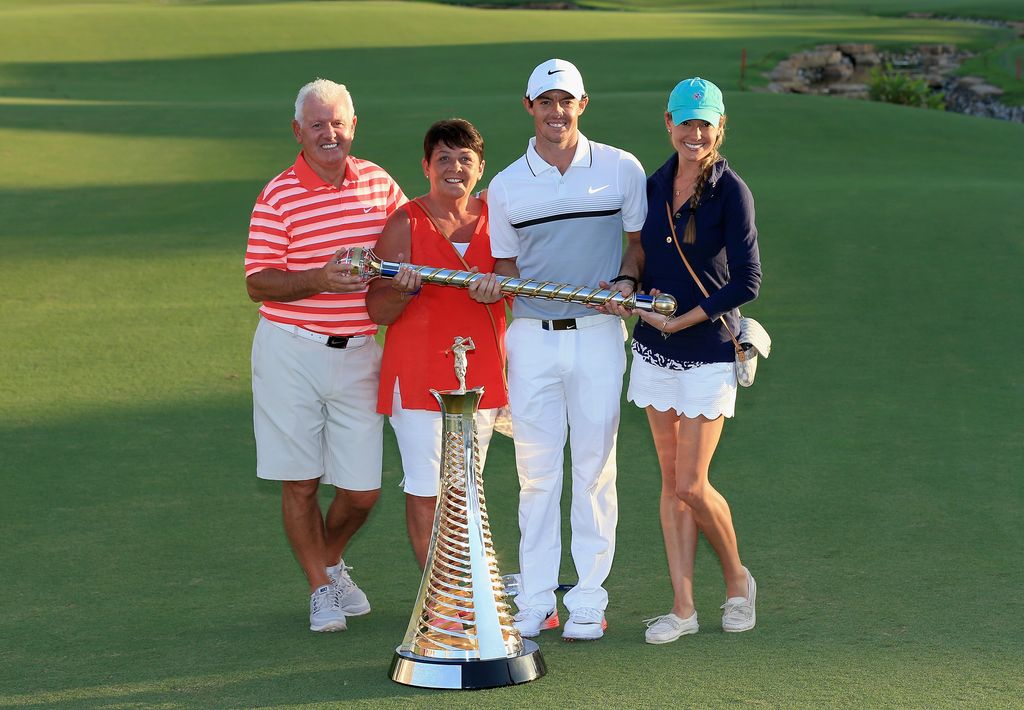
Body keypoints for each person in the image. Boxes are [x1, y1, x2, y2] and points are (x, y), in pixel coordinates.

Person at [487, 59, 647, 641]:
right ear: (528, 107)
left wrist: (628, 282)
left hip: (601, 337)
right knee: (536, 475)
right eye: (546, 102)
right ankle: (535, 598)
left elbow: (637, 244)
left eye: (567, 101)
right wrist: (494, 286)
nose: (557, 113)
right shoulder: (505, 185)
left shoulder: (619, 169)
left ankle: (587, 598)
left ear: (584, 104)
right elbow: (504, 267)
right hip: (530, 339)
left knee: (594, 471)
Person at [244, 78, 406, 633]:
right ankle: (319, 586)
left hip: (360, 351)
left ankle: (329, 559)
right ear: (298, 131)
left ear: (353, 126)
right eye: (317, 124)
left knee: (362, 492)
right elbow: (258, 282)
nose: (328, 133)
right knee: (301, 481)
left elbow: (415, 239)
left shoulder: (380, 185)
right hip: (291, 350)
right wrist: (319, 278)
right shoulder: (278, 195)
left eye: (337, 122)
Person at [607, 77, 761, 643]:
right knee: (671, 484)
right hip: (653, 350)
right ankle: (683, 608)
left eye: (705, 123)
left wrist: (686, 319)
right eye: (685, 122)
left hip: (707, 349)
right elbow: (641, 247)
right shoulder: (653, 185)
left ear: (719, 128)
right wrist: (629, 282)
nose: (694, 133)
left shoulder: (731, 192)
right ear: (667, 124)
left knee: (693, 484)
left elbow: (748, 280)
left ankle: (738, 580)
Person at [366, 118, 505, 569]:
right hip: (419, 375)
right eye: (443, 158)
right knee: (427, 489)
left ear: (480, 168)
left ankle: (468, 590)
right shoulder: (404, 223)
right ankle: (441, 601)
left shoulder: (498, 219)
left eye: (465, 159)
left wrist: (503, 285)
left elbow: (519, 283)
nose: (454, 168)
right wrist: (402, 289)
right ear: (426, 166)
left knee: (465, 488)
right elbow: (376, 310)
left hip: (479, 376)